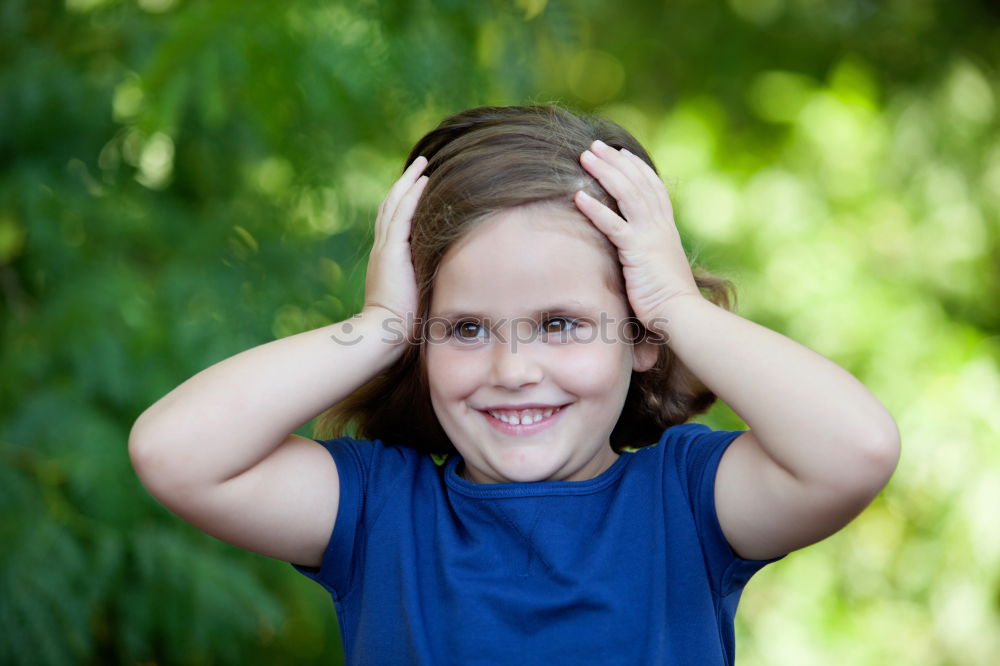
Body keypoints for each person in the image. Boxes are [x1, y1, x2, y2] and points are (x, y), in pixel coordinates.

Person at [129, 104, 901, 665]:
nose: (511, 369)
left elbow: (856, 449)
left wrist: (674, 305)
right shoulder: (379, 514)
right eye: (464, 328)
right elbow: (175, 452)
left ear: (640, 339)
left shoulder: (688, 504)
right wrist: (381, 324)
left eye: (560, 324)